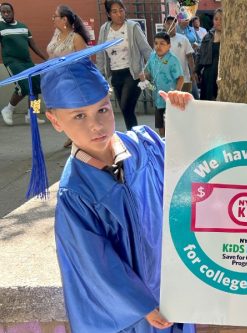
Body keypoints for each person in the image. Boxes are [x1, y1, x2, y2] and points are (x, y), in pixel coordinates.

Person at [0, 39, 197, 331]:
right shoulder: (75, 193)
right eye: (79, 116)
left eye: (102, 110)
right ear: (55, 121)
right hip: (136, 314)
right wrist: (140, 304)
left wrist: (186, 120)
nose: (96, 125)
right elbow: (93, 263)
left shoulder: (145, 144)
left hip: (172, 293)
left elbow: (192, 167)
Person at [96, 0, 152, 130]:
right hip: (115, 75)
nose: (119, 14)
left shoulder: (133, 27)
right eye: (114, 12)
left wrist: (148, 70)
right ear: (109, 14)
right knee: (126, 110)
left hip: (133, 74)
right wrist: (100, 75)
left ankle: (135, 137)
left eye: (121, 10)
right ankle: (134, 135)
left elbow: (146, 50)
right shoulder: (104, 29)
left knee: (126, 106)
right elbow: (100, 55)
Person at [47, 4, 90, 148]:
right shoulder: (56, 34)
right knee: (62, 112)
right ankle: (72, 135)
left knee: (74, 112)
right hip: (55, 80)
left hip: (73, 81)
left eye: (55, 16)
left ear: (64, 19)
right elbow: (51, 54)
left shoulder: (76, 38)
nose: (53, 19)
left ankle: (79, 138)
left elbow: (85, 62)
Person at [0, 2, 46, 125]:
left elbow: (33, 45)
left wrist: (45, 58)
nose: (6, 14)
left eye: (8, 11)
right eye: (3, 12)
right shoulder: (0, 27)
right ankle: (8, 109)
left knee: (36, 86)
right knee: (24, 87)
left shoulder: (23, 27)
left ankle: (32, 115)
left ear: (13, 12)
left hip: (27, 61)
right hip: (12, 61)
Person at [143, 32, 184, 137]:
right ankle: (163, 144)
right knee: (160, 125)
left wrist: (177, 92)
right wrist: (144, 77)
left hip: (170, 99)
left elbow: (180, 78)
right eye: (156, 43)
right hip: (158, 99)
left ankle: (174, 145)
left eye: (162, 43)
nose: (158, 46)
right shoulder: (152, 58)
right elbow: (149, 74)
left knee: (172, 125)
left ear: (169, 45)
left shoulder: (173, 60)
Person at [164, 16, 197, 95]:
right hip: (167, 80)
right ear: (164, 25)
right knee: (171, 103)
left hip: (184, 79)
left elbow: (189, 56)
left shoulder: (183, 39)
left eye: (173, 23)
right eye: (168, 23)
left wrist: (193, 72)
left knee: (185, 103)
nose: (171, 25)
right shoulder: (161, 41)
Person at [195, 8, 222, 101]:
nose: (218, 22)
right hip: (208, 76)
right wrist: (196, 71)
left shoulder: (230, 37)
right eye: (216, 19)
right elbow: (200, 53)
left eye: (222, 19)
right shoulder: (208, 36)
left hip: (221, 76)